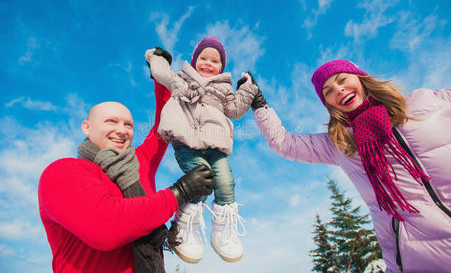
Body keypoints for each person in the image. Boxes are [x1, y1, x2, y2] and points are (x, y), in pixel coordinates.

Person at [250, 60, 451, 272]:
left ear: (360, 78)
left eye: (342, 79)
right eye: (328, 91)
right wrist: (259, 104)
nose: (339, 89)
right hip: (419, 259)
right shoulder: (339, 144)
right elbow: (284, 143)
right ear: (328, 103)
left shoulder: (423, 102)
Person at [38, 79, 216, 273]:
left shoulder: (140, 164)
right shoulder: (63, 172)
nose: (122, 130)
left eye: (128, 125)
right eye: (111, 122)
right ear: (87, 127)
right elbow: (105, 227)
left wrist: (161, 75)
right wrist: (179, 193)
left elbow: (164, 122)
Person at [144, 37, 258, 263]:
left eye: (214, 61)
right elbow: (161, 73)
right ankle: (184, 225)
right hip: (187, 141)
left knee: (225, 180)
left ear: (221, 67)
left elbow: (235, 111)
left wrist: (247, 89)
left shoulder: (223, 89)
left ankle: (223, 229)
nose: (208, 63)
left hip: (215, 144)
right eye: (203, 58)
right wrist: (155, 57)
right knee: (202, 178)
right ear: (195, 61)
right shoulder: (181, 80)